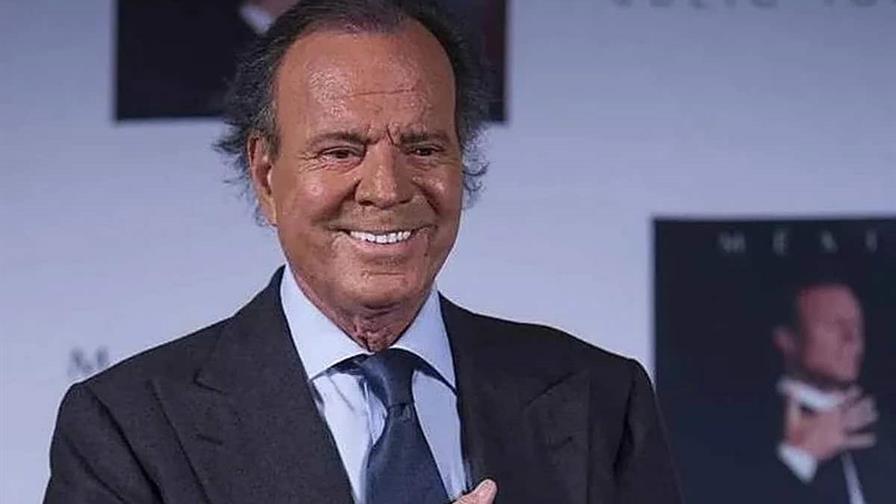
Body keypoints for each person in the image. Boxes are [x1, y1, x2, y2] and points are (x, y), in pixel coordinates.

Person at [45, 1, 681, 502]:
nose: (386, 188)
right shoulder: (127, 428)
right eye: (341, 151)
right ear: (265, 175)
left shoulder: (601, 400)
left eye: (423, 149)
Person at [768, 280, 895, 503]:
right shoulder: (747, 423)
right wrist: (800, 457)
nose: (852, 338)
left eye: (857, 325)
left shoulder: (881, 427)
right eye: (833, 325)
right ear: (788, 340)